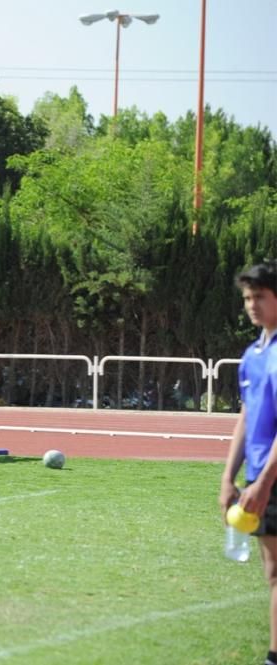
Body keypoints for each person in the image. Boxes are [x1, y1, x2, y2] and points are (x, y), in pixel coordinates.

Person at [219, 261, 277, 665]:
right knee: (272, 572)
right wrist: (229, 477)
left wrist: (263, 483)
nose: (252, 305)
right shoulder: (252, 354)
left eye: (260, 296)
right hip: (260, 476)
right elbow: (246, 414)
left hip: (271, 478)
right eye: (247, 298)